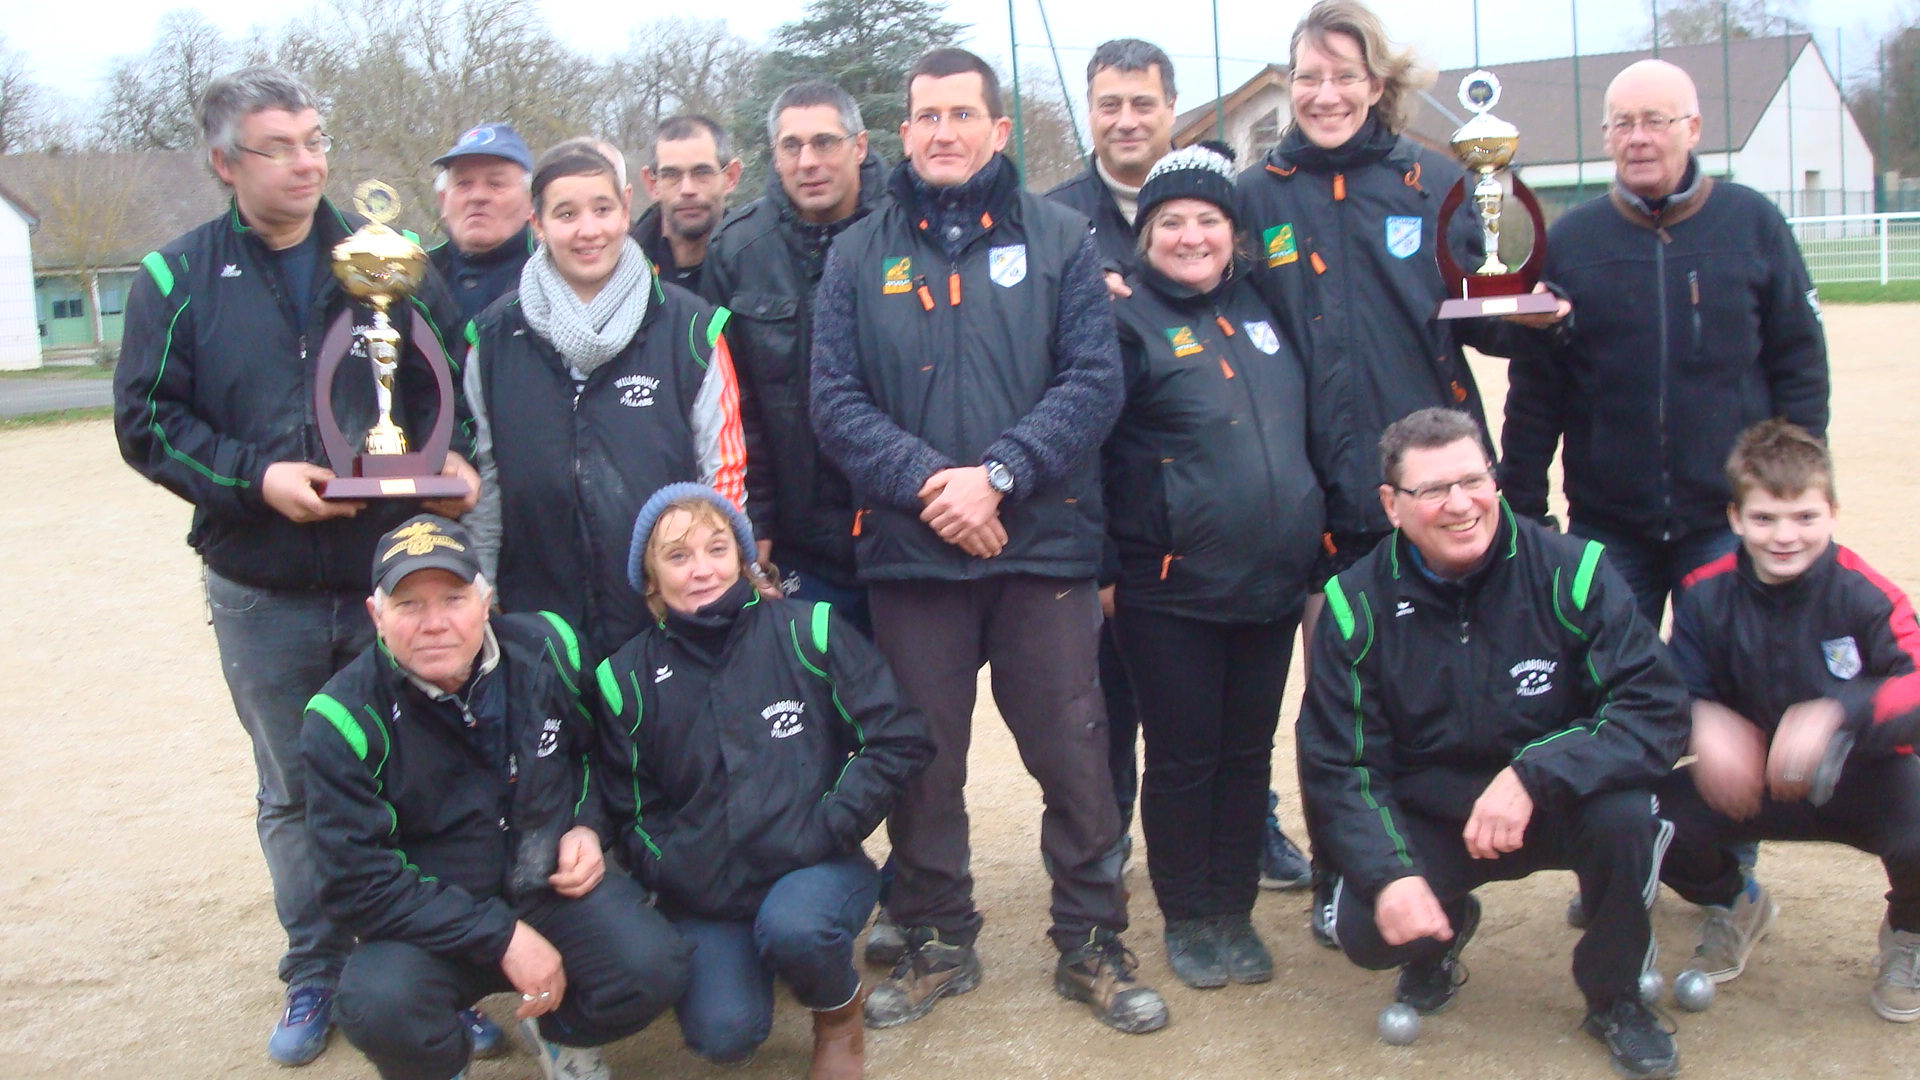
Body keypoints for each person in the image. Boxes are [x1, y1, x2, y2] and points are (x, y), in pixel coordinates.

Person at [112, 66, 478, 1066]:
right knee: (297, 790)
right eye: (280, 145)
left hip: (389, 581)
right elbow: (145, 423)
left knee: (422, 774)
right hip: (261, 587)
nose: (308, 160)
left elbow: (451, 380)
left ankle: (433, 965)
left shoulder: (385, 257)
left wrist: (458, 460)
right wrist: (254, 477)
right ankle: (316, 968)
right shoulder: (173, 278)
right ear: (226, 162)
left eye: (316, 138)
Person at [811, 46, 1168, 1034]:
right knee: (922, 758)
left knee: (1073, 751)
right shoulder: (857, 254)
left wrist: (999, 474)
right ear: (904, 132)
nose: (942, 131)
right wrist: (932, 485)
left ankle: (1092, 941)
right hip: (913, 553)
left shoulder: (1060, 239)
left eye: (961, 114)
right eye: (925, 116)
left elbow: (1094, 383)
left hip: (1042, 548)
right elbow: (834, 404)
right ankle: (936, 940)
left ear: (998, 129)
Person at [1298, 408, 1691, 1080]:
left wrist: (1536, 773)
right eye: (1432, 491)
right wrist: (1390, 875)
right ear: (1391, 506)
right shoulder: (1352, 607)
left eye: (1473, 480)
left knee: (1626, 813)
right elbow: (1340, 767)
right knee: (1362, 932)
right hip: (1437, 815)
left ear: (1496, 482)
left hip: (1557, 801)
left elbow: (1656, 709)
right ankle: (1440, 931)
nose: (1460, 505)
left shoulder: (1575, 572)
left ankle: (1615, 995)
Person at [1235, 0, 1510, 929]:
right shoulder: (1255, 193)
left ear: (1378, 85)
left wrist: (1541, 309)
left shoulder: (1437, 180)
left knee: (1438, 682)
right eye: (1308, 76)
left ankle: (1448, 856)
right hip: (1312, 492)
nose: (1325, 94)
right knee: (1336, 696)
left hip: (1431, 489)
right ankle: (1341, 871)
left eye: (1344, 75)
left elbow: (1492, 306)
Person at [303, 513, 690, 1080]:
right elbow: (356, 882)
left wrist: (587, 824)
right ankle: (443, 1063)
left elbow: (603, 755)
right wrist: (502, 936)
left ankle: (558, 1033)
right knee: (376, 1004)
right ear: (376, 615)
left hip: (549, 889)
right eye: (408, 604)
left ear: (486, 601)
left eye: (455, 598)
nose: (434, 623)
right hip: (432, 918)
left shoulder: (551, 648)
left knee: (655, 966)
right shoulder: (340, 719)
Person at [596, 484, 934, 1078]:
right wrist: (678, 869)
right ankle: (752, 962)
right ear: (651, 577)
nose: (701, 569)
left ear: (744, 557)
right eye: (677, 557)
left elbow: (898, 737)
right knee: (724, 1035)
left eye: (717, 548)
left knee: (795, 926)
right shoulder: (624, 677)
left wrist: (830, 823)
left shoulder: (811, 631)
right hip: (709, 891)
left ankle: (837, 1014)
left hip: (816, 866)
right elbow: (631, 810)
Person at [1102, 143, 1324, 989]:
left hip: (1270, 583)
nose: (1190, 236)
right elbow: (1092, 456)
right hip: (1172, 588)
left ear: (1233, 234)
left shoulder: (1263, 310)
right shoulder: (1123, 320)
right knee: (1186, 755)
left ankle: (1233, 907)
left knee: (1246, 754)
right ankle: (1189, 915)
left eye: (1207, 220)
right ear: (1146, 234)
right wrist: (1106, 568)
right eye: (1171, 222)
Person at [1500, 58, 1829, 628]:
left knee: (1733, 691)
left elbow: (1800, 364)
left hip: (1728, 519)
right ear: (1606, 137)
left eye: (1656, 120)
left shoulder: (1753, 224)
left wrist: (1793, 490)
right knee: (1612, 694)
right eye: (1623, 124)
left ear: (1693, 128)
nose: (1639, 138)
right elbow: (1536, 389)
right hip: (1609, 526)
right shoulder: (1572, 241)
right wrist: (1523, 508)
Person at [1652, 419, 1920, 1022]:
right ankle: (1735, 899)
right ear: (1734, 518)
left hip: (1859, 778)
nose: (1784, 537)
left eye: (1804, 517)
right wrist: (1703, 721)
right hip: (1748, 780)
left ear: (1832, 513)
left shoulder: (1868, 594)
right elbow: (1668, 692)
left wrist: (1840, 714)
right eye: (1765, 518)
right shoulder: (1703, 593)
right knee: (1641, 817)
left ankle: (1909, 934)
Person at [463, 144, 747, 659]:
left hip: (665, 617)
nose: (588, 230)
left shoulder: (693, 329)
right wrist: (486, 589)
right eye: (566, 214)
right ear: (538, 224)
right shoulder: (493, 338)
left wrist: (717, 588)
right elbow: (485, 482)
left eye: (602, 209)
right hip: (537, 617)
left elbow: (721, 474)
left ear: (625, 207)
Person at [701, 81, 887, 632]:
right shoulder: (737, 249)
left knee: (910, 711)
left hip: (902, 531)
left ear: (859, 146)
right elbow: (731, 408)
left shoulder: (905, 232)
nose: (808, 161)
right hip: (795, 542)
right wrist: (750, 521)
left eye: (825, 142)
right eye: (791, 146)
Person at [1046, 38, 1178, 269]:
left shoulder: (1225, 205)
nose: (1126, 122)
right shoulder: (1049, 219)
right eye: (1110, 105)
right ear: (1090, 111)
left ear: (1172, 108)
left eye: (1142, 105)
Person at [428, 122, 536, 326]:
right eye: (463, 184)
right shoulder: (419, 276)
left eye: (496, 184)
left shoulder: (552, 277)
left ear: (530, 202)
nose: (477, 197)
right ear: (443, 201)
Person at [632, 115, 742, 293]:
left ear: (731, 176)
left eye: (702, 172)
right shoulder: (620, 271)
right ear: (652, 184)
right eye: (671, 175)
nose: (687, 189)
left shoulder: (758, 264)